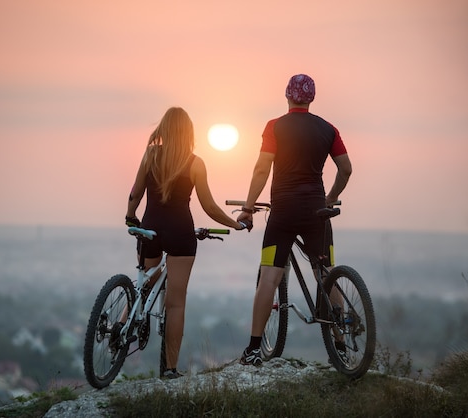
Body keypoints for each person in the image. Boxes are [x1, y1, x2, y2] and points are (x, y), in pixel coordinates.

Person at [236, 74, 352, 366]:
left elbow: (262, 168)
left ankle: (252, 350)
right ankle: (340, 344)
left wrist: (248, 207)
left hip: (284, 213)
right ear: (311, 98)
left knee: (269, 277)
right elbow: (346, 169)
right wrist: (330, 197)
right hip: (317, 212)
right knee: (326, 272)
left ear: (287, 96)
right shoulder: (329, 129)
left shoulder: (274, 126)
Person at [125, 107, 247, 379]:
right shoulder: (195, 163)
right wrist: (235, 224)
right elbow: (210, 207)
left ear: (164, 129)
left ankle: (120, 326)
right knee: (176, 304)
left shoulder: (151, 155)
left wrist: (130, 215)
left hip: (150, 229)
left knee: (143, 282)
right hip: (180, 233)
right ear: (188, 133)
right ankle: (169, 369)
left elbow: (136, 192)